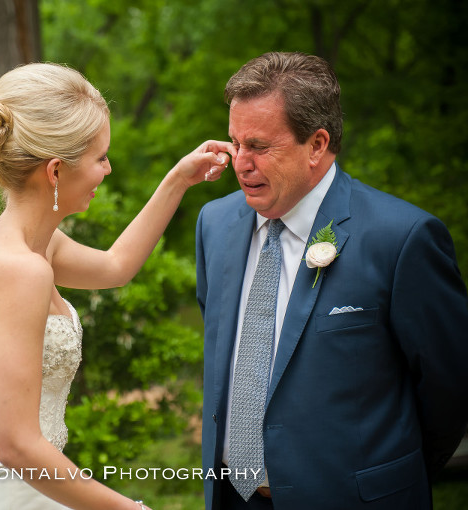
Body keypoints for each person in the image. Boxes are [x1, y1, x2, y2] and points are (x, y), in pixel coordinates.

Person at [196, 51, 468, 510]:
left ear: (317, 145)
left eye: (259, 146)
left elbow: (450, 388)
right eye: (234, 143)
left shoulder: (401, 238)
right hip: (231, 498)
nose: (241, 163)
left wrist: (385, 478)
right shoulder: (214, 224)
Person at [0, 62, 230, 510]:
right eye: (100, 157)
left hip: (34, 490)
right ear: (56, 171)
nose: (109, 169)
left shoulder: (30, 245)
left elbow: (116, 266)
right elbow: (17, 446)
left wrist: (180, 178)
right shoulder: (20, 268)